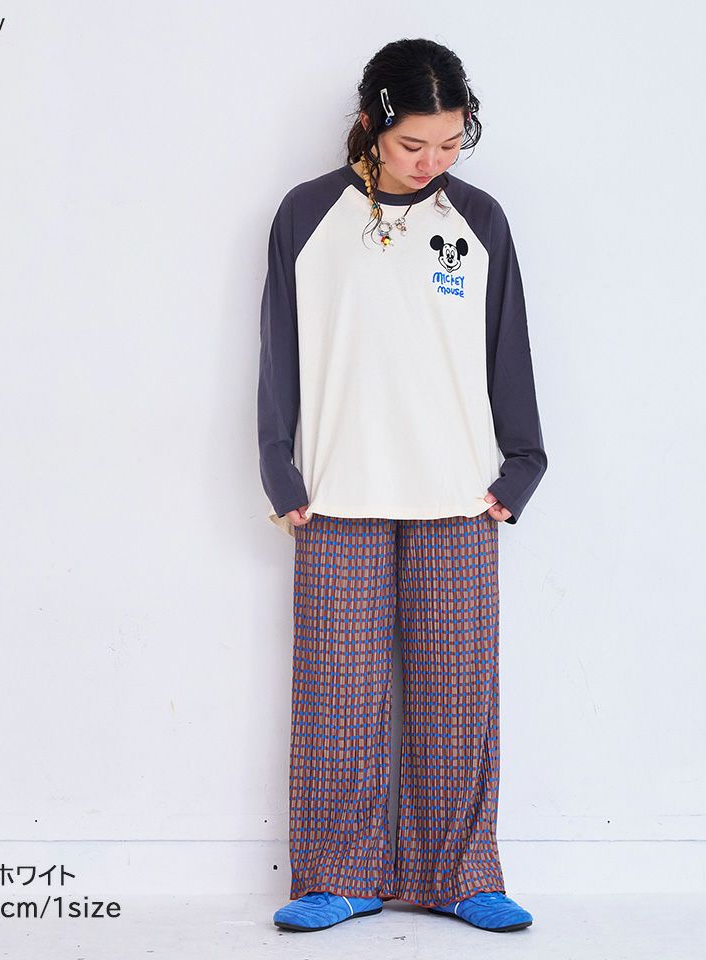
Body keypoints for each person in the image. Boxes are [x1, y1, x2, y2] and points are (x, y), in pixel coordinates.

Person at [256, 38, 547, 935]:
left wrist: (522, 467)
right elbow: (279, 347)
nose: (432, 161)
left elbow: (507, 349)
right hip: (335, 494)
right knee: (337, 698)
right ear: (374, 124)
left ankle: (458, 876)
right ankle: (336, 877)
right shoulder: (307, 214)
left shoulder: (480, 220)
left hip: (459, 494)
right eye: (415, 143)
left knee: (456, 700)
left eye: (451, 142)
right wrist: (278, 463)